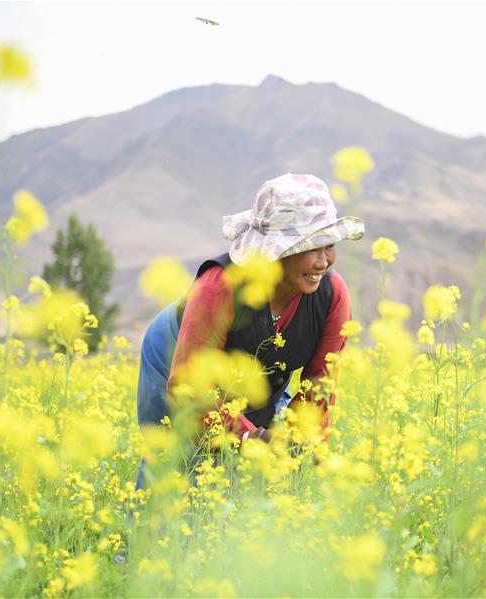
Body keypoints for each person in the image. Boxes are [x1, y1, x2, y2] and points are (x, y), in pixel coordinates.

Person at [135, 173, 364, 488]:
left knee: (252, 469)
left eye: (330, 246)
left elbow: (319, 384)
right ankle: (146, 530)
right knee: (171, 456)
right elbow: (190, 388)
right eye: (312, 248)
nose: (324, 261)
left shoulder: (332, 295)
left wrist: (297, 441)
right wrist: (247, 436)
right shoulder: (220, 288)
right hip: (176, 354)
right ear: (278, 250)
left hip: (257, 370)